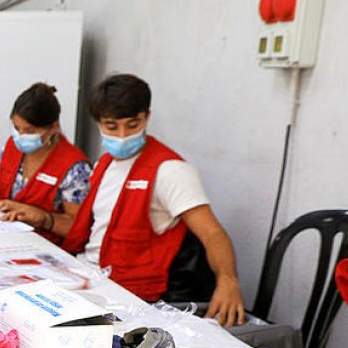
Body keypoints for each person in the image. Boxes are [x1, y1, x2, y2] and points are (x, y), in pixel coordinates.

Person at [60, 74, 244, 326]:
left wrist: (228, 280)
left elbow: (212, 233)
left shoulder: (170, 171)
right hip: (89, 274)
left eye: (132, 125)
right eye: (112, 127)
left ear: (146, 117)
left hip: (129, 294)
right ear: (99, 124)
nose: (123, 135)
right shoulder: (105, 164)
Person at [0, 83, 91, 242]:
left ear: (53, 128)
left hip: (45, 248)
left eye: (30, 131)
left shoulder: (75, 168)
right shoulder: (12, 146)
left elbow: (79, 228)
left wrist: (43, 218)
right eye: (17, 128)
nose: (21, 136)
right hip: (4, 238)